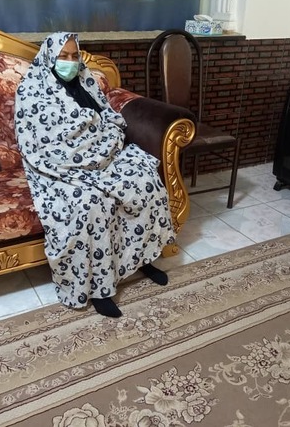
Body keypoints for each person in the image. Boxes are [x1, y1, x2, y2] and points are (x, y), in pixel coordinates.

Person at [14, 32, 175, 318]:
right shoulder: (32, 90)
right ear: (49, 57)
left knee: (146, 182)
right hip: (60, 168)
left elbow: (110, 117)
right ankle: (99, 287)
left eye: (74, 55)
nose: (70, 62)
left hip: (106, 157)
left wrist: (104, 142)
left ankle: (143, 258)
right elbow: (41, 143)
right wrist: (89, 145)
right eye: (63, 56)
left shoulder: (86, 81)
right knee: (89, 203)